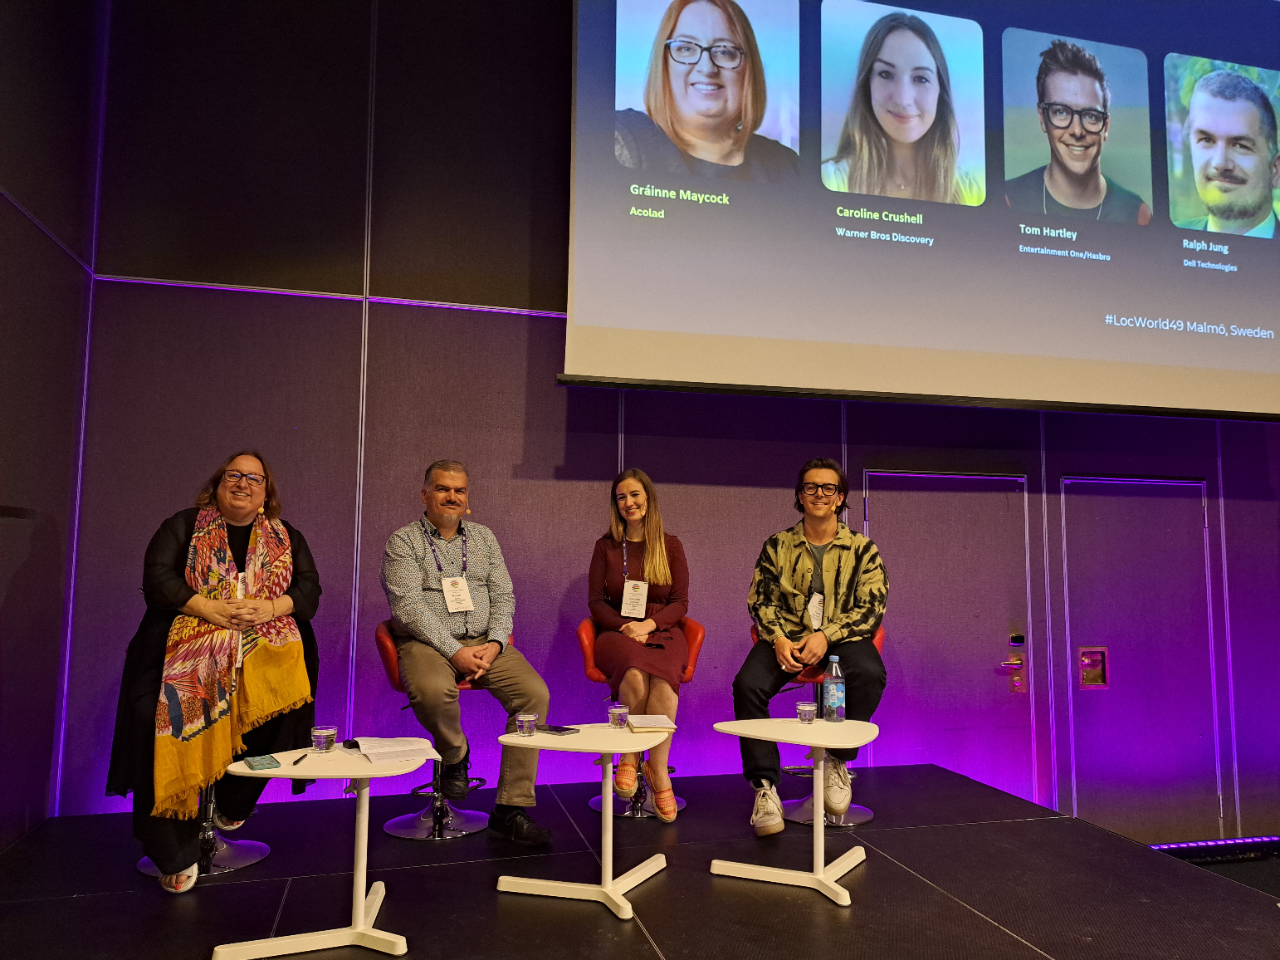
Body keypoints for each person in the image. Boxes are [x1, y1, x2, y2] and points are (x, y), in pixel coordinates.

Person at [107, 452, 320, 893]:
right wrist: (211, 610)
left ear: (266, 493)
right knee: (158, 718)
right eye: (234, 476)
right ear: (218, 484)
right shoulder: (182, 526)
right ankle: (173, 850)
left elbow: (308, 591)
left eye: (254, 479)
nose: (243, 483)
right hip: (180, 646)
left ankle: (232, 800)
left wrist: (268, 608)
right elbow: (158, 579)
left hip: (262, 645)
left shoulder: (287, 537)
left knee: (288, 699)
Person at [380, 460, 552, 845]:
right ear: (425, 495)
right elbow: (407, 608)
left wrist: (497, 642)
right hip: (427, 643)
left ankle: (511, 807)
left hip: (484, 642)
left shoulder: (484, 539)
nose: (452, 497)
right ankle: (455, 752)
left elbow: (504, 595)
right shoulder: (403, 542)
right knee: (431, 690)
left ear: (467, 499)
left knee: (534, 695)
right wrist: (454, 651)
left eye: (459, 491)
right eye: (443, 489)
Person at [732, 458, 887, 837]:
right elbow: (760, 602)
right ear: (799, 496)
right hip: (786, 637)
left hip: (842, 639)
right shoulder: (777, 545)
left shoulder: (863, 549)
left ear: (841, 499)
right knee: (746, 686)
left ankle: (837, 759)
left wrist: (828, 634)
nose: (819, 494)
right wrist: (780, 638)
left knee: (870, 673)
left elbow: (872, 608)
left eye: (828, 488)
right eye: (810, 487)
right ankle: (765, 788)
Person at [587, 469, 691, 822]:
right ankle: (630, 756)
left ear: (648, 499)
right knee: (634, 672)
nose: (628, 503)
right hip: (616, 631)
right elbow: (596, 603)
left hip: (662, 629)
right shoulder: (606, 546)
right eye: (621, 497)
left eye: (634, 495)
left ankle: (657, 770)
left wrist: (649, 624)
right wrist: (626, 627)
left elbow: (680, 602)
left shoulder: (670, 544)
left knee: (663, 683)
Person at [615, 0, 798, 181]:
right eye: (686, 48)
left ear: (749, 70)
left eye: (724, 51)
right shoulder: (620, 135)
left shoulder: (788, 166)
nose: (707, 68)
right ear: (664, 65)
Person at [822, 12, 983, 204]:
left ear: (940, 92)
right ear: (867, 86)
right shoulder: (830, 181)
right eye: (886, 74)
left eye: (921, 78)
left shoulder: (969, 190)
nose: (903, 98)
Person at [1005, 40, 1152, 223]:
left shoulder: (1137, 215)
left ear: (1106, 126)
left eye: (1091, 115)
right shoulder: (1007, 201)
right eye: (1061, 112)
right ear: (1042, 118)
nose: (1077, 130)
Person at [1174, 70, 1280, 238]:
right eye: (1207, 140)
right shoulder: (1166, 240)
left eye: (1240, 145)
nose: (1220, 163)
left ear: (1275, 169)